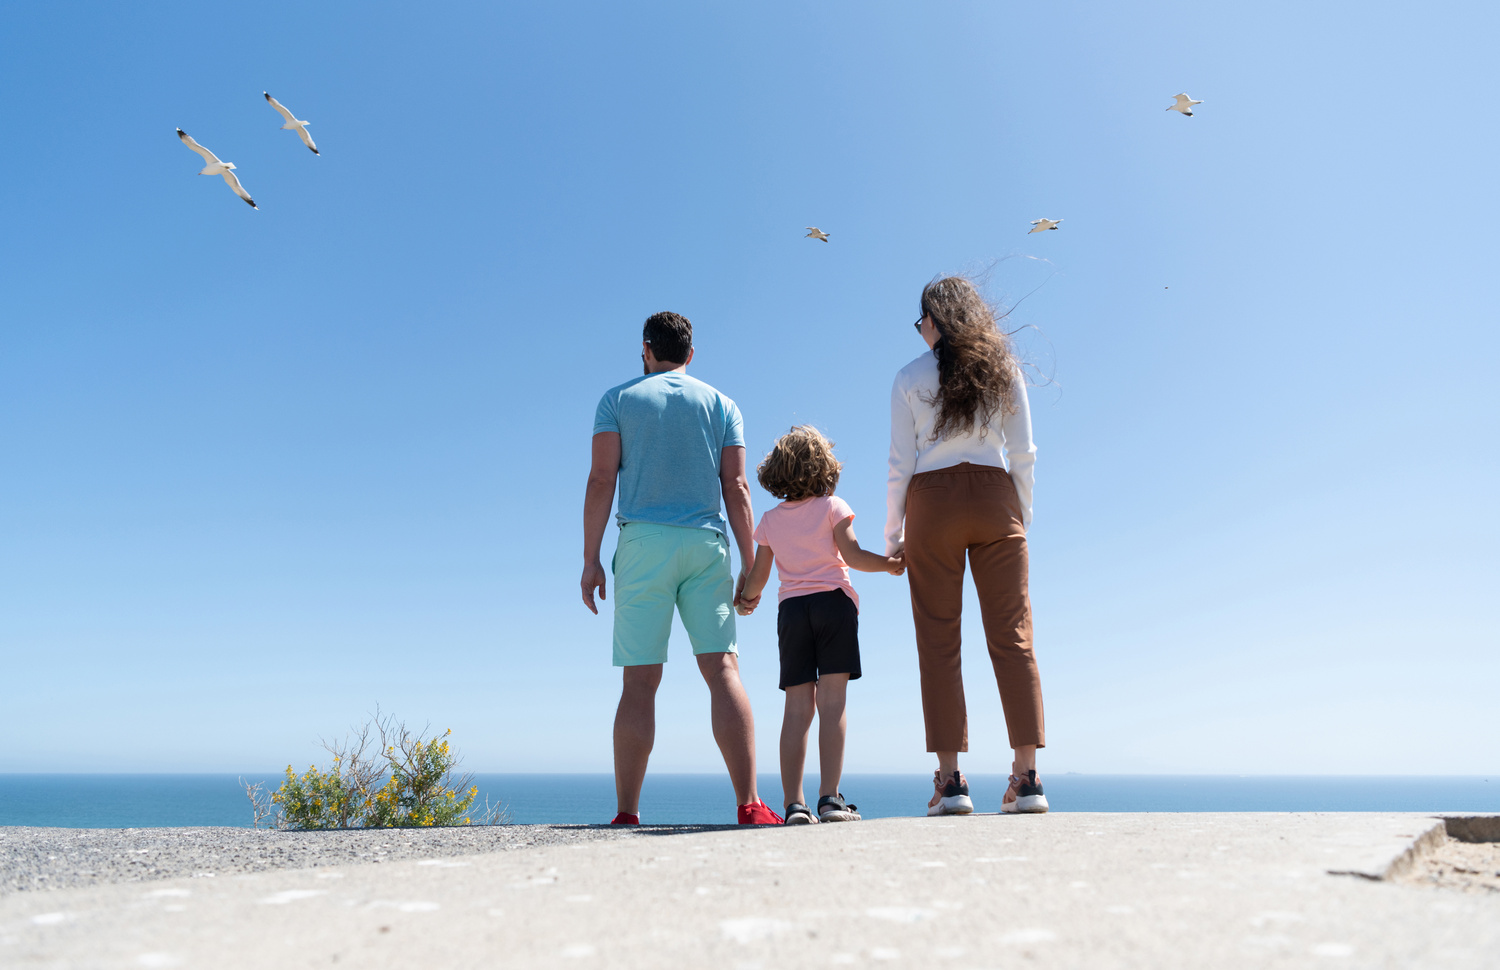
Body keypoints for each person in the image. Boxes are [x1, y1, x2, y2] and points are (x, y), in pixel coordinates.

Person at [581, 311, 783, 826]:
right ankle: (750, 804)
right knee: (722, 670)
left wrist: (590, 560)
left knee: (639, 682)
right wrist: (751, 560)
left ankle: (627, 813)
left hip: (642, 544)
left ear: (646, 350)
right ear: (690, 355)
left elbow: (602, 480)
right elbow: (736, 487)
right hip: (706, 544)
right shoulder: (722, 404)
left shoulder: (617, 400)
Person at [886, 276, 1050, 815]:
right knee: (1013, 636)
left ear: (933, 319)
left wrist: (894, 535)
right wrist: (1018, 515)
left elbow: (899, 464)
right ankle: (1027, 779)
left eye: (920, 323)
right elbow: (1024, 452)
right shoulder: (1004, 370)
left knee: (938, 641)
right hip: (996, 493)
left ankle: (951, 782)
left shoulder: (909, 377)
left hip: (931, 503)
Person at [735, 427, 904, 825]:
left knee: (796, 708)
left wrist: (745, 601)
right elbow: (853, 555)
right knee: (832, 704)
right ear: (825, 467)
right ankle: (829, 799)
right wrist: (889, 564)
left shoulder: (771, 520)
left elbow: (759, 577)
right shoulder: (833, 507)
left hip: (792, 611)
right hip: (834, 605)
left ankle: (795, 805)